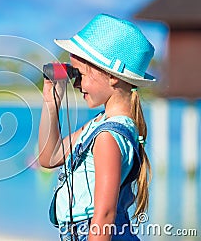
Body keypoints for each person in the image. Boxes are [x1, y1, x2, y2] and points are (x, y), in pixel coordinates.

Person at [38, 14, 154, 241]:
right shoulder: (99, 125)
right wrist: (51, 103)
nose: (76, 83)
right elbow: (49, 157)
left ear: (111, 76)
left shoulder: (108, 137)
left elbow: (104, 215)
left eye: (79, 74)